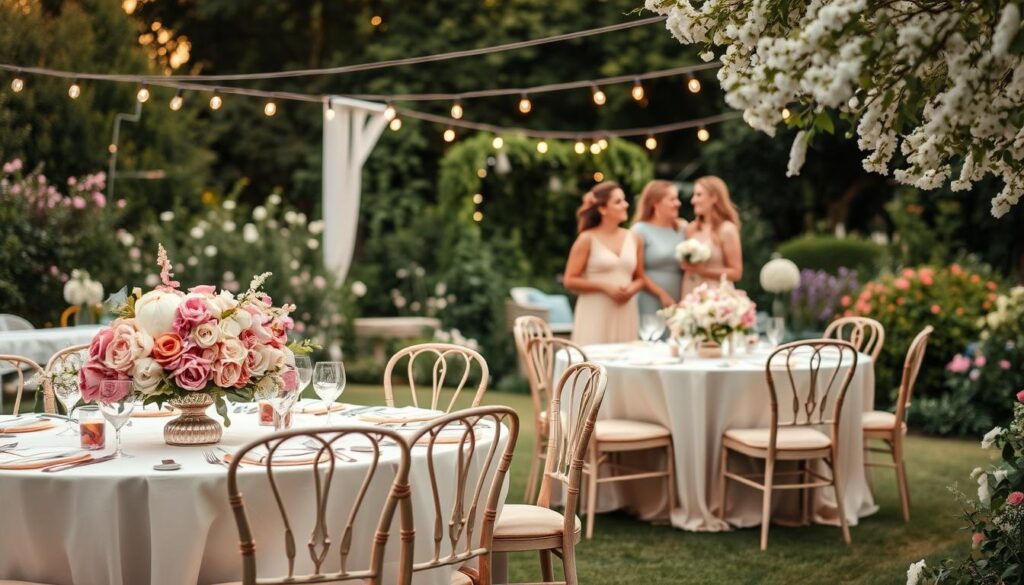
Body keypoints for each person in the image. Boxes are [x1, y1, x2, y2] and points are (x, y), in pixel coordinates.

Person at [564, 181, 644, 345]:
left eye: (624, 200)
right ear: (602, 209)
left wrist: (631, 289)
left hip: (625, 310)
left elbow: (640, 278)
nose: (626, 205)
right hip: (595, 311)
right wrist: (605, 287)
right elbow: (570, 280)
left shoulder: (634, 238)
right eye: (618, 201)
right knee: (593, 357)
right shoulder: (586, 239)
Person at [630, 180, 687, 319]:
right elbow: (637, 272)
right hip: (649, 298)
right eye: (672, 199)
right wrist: (662, 294)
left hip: (679, 298)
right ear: (655, 203)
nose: (678, 203)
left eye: (677, 198)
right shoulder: (640, 230)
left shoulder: (683, 228)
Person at [680, 175, 743, 296]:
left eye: (699, 195)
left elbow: (736, 273)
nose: (693, 200)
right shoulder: (691, 228)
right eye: (694, 195)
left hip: (716, 294)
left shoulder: (727, 229)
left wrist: (703, 271)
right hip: (690, 290)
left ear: (714, 197)